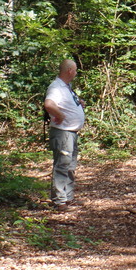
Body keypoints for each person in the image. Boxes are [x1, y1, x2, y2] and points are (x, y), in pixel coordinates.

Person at [44, 59, 86, 212]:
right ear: (69, 71)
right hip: (63, 133)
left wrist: (78, 104)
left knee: (70, 166)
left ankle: (67, 198)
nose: (76, 73)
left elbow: (64, 104)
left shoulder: (66, 87)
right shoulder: (56, 87)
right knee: (62, 165)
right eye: (75, 70)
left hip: (71, 132)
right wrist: (60, 115)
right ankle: (59, 201)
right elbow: (49, 104)